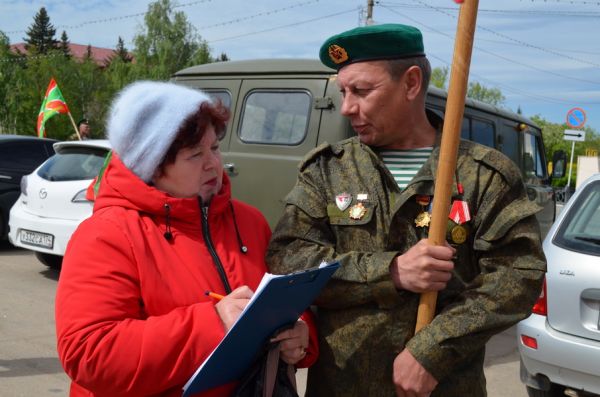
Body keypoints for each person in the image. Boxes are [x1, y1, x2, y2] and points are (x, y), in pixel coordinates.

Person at [266, 24, 546, 397]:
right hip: (342, 386)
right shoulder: (327, 171)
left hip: (445, 387)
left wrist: (433, 351)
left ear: (411, 84)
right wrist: (391, 272)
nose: (347, 107)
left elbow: (518, 276)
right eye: (343, 92)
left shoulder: (482, 174)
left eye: (362, 91)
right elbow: (288, 262)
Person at [55, 81, 318, 397]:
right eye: (195, 154)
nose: (213, 164)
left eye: (215, 148)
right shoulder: (107, 234)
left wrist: (301, 336)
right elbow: (89, 353)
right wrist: (212, 324)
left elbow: (282, 300)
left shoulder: (249, 221)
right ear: (152, 166)